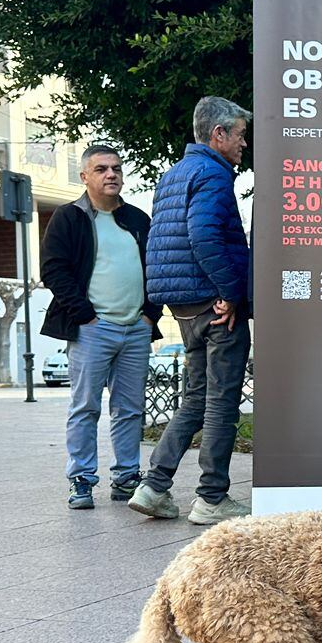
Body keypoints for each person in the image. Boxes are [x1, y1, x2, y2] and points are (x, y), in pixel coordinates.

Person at [129, 97, 253, 527]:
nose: (243, 144)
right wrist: (231, 292)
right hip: (215, 307)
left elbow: (166, 242)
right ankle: (212, 498)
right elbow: (203, 236)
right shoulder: (213, 175)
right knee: (221, 403)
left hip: (184, 305)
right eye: (239, 134)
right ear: (218, 134)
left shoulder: (174, 175)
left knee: (195, 400)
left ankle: (153, 486)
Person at [39, 142, 159, 511]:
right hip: (93, 328)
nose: (111, 175)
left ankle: (126, 477)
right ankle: (82, 479)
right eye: (103, 169)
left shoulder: (138, 220)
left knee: (130, 408)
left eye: (117, 169)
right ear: (85, 176)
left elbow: (156, 268)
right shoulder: (69, 217)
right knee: (85, 406)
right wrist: (85, 315)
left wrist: (149, 314)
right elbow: (53, 270)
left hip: (135, 328)